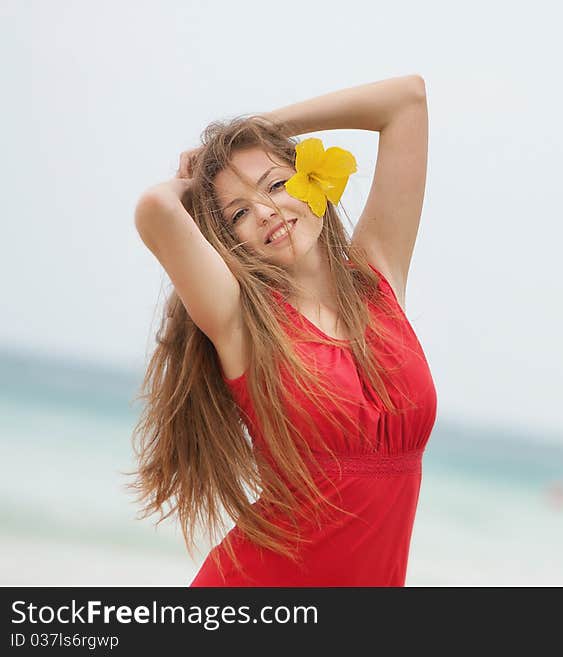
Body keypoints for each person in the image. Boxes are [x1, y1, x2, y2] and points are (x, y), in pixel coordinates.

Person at [127, 75, 435, 586]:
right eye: (239, 213)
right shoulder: (241, 322)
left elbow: (407, 101)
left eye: (275, 184)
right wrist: (198, 177)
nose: (267, 211)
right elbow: (156, 209)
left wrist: (260, 130)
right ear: (230, 241)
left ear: (312, 181)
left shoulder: (379, 277)